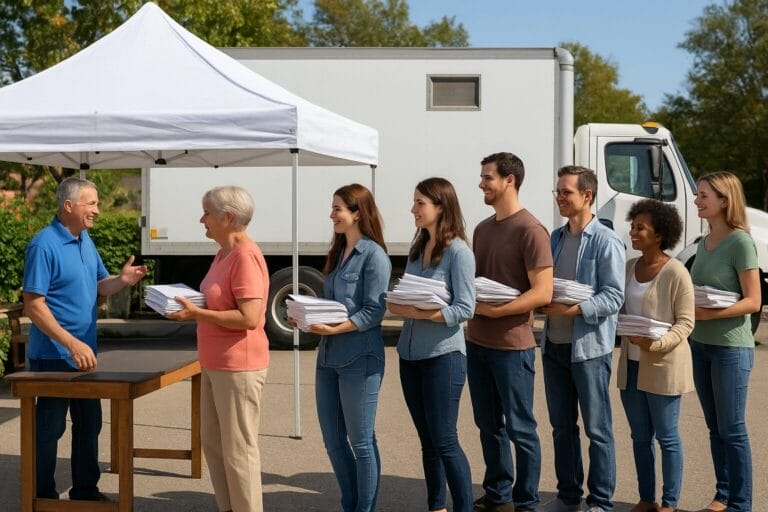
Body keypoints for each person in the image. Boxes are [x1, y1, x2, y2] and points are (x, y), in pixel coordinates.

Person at [22, 176, 147, 501]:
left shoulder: (84, 240)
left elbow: (100, 285)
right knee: (50, 428)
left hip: (84, 355)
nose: (97, 210)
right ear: (68, 206)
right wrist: (70, 343)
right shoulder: (43, 244)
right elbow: (34, 306)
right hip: (53, 355)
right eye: (91, 203)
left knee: (90, 423)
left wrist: (122, 280)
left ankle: (85, 491)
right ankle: (41, 496)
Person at [169, 186, 270, 512]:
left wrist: (198, 313)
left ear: (228, 217)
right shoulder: (224, 252)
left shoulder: (244, 256)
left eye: (207, 213)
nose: (202, 219)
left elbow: (250, 317)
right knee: (214, 445)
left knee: (239, 450)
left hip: (239, 366)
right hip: (215, 363)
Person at [467, 152, 553, 512]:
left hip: (513, 347)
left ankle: (527, 501)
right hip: (477, 342)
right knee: (488, 426)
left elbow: (542, 292)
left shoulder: (531, 230)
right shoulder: (482, 229)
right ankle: (499, 493)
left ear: (509, 181)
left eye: (488, 177)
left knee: (521, 429)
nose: (481, 183)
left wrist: (494, 309)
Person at [388, 177, 476, 512]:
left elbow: (465, 309)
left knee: (445, 440)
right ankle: (436, 506)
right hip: (409, 357)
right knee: (427, 442)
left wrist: (419, 312)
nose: (413, 209)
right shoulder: (416, 247)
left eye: (420, 203)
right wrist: (398, 303)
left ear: (441, 207)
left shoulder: (459, 253)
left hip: (444, 357)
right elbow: (412, 298)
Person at [540, 166, 625, 512]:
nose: (560, 198)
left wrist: (575, 310)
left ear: (587, 196)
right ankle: (568, 496)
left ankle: (601, 502)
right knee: (562, 427)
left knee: (597, 430)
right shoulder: (555, 238)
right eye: (557, 192)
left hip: (588, 349)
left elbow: (614, 296)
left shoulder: (607, 241)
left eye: (566, 192)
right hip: (553, 347)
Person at [306, 183, 391, 512]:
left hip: (360, 358)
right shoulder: (338, 252)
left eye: (338, 208)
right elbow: (333, 304)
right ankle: (351, 503)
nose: (332, 215)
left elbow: (373, 311)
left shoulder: (374, 255)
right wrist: (307, 314)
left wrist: (334, 327)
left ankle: (363, 508)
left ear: (357, 213)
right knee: (333, 441)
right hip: (327, 357)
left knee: (361, 441)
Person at [616, 200, 694, 512]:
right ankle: (646, 499)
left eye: (640, 228)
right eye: (632, 226)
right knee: (639, 437)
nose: (632, 232)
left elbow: (686, 323)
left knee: (668, 438)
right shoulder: (629, 266)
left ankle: (669, 503)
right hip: (630, 367)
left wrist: (655, 344)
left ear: (659, 234)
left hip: (663, 365)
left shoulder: (675, 272)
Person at [689, 172, 760, 512]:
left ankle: (741, 504)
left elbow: (753, 302)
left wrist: (709, 315)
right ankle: (723, 495)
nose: (696, 200)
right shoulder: (703, 243)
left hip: (731, 347)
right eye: (697, 195)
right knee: (714, 427)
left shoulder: (741, 242)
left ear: (724, 200)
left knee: (732, 428)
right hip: (699, 345)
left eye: (703, 195)